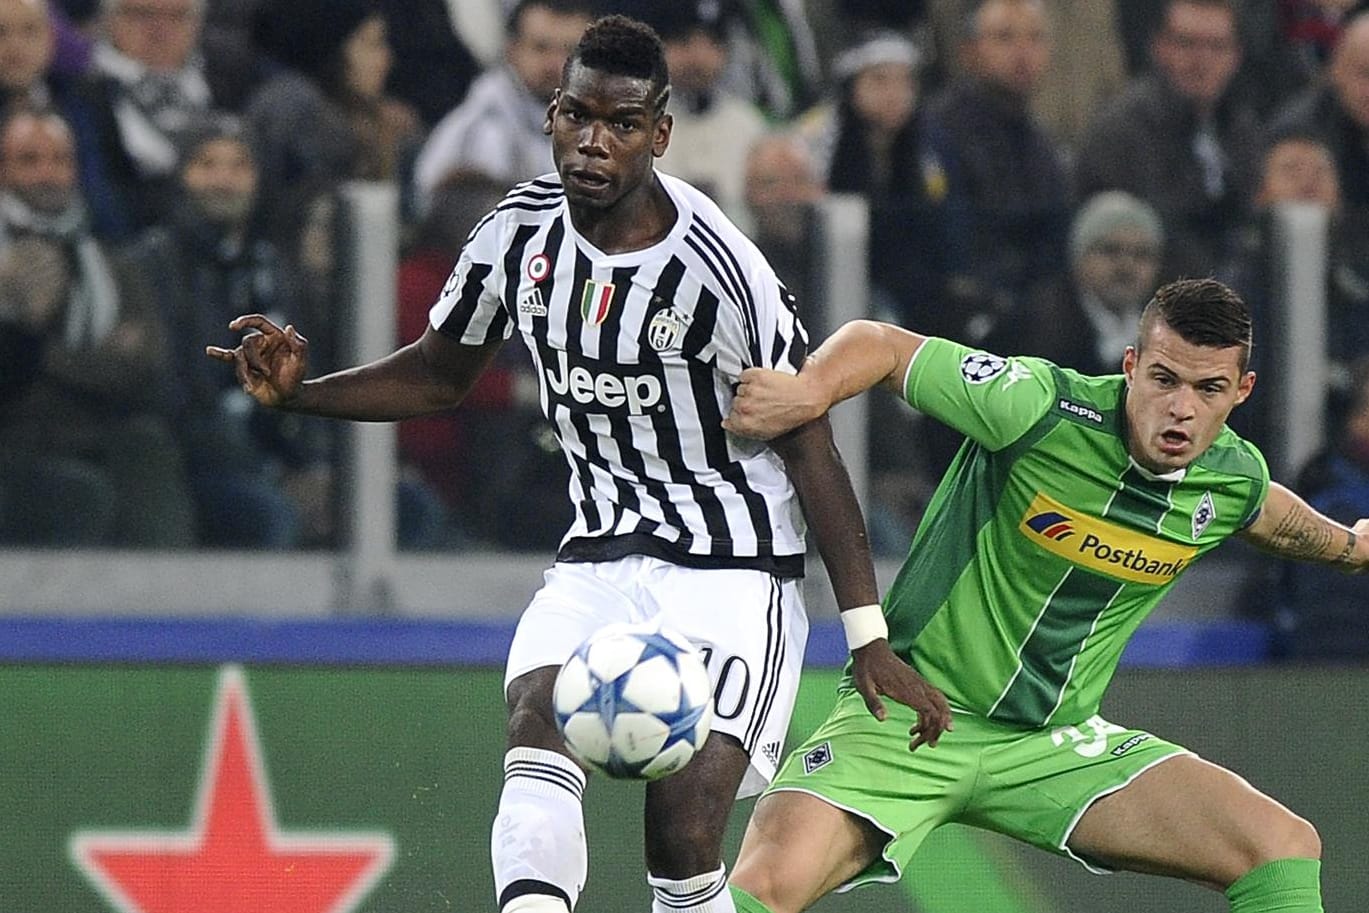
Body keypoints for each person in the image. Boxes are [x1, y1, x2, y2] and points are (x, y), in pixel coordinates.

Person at [207, 16, 951, 913]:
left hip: (730, 569)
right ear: (551, 114)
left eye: (623, 124)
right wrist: (302, 392)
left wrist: (864, 635)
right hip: (596, 553)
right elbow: (442, 373)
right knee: (535, 729)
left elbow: (810, 443)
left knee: (679, 838)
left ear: (659, 135)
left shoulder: (721, 273)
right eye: (576, 116)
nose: (593, 143)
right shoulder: (515, 231)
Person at [721, 277, 1368, 913]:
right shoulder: (1036, 405)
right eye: (1164, 379)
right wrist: (808, 390)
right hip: (905, 718)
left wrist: (1352, 546)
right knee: (759, 888)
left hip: (1054, 746)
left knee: (1281, 846)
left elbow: (1275, 517)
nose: (1181, 408)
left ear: (1240, 391)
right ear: (1130, 366)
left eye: (1209, 389)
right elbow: (881, 344)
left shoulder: (1228, 477)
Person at [0, 107, 195, 547]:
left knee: (149, 447)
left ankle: (165, 609)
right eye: (29, 160)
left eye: (60, 160)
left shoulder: (114, 266)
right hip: (15, 440)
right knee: (79, 494)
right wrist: (97, 357)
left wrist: (35, 350)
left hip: (99, 427)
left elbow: (148, 368)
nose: (47, 174)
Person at [1075, 0, 1262, 282]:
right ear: (1159, 47)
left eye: (1217, 46)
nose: (1201, 60)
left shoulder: (1240, 126)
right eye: (1187, 44)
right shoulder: (1123, 133)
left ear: (1236, 56)